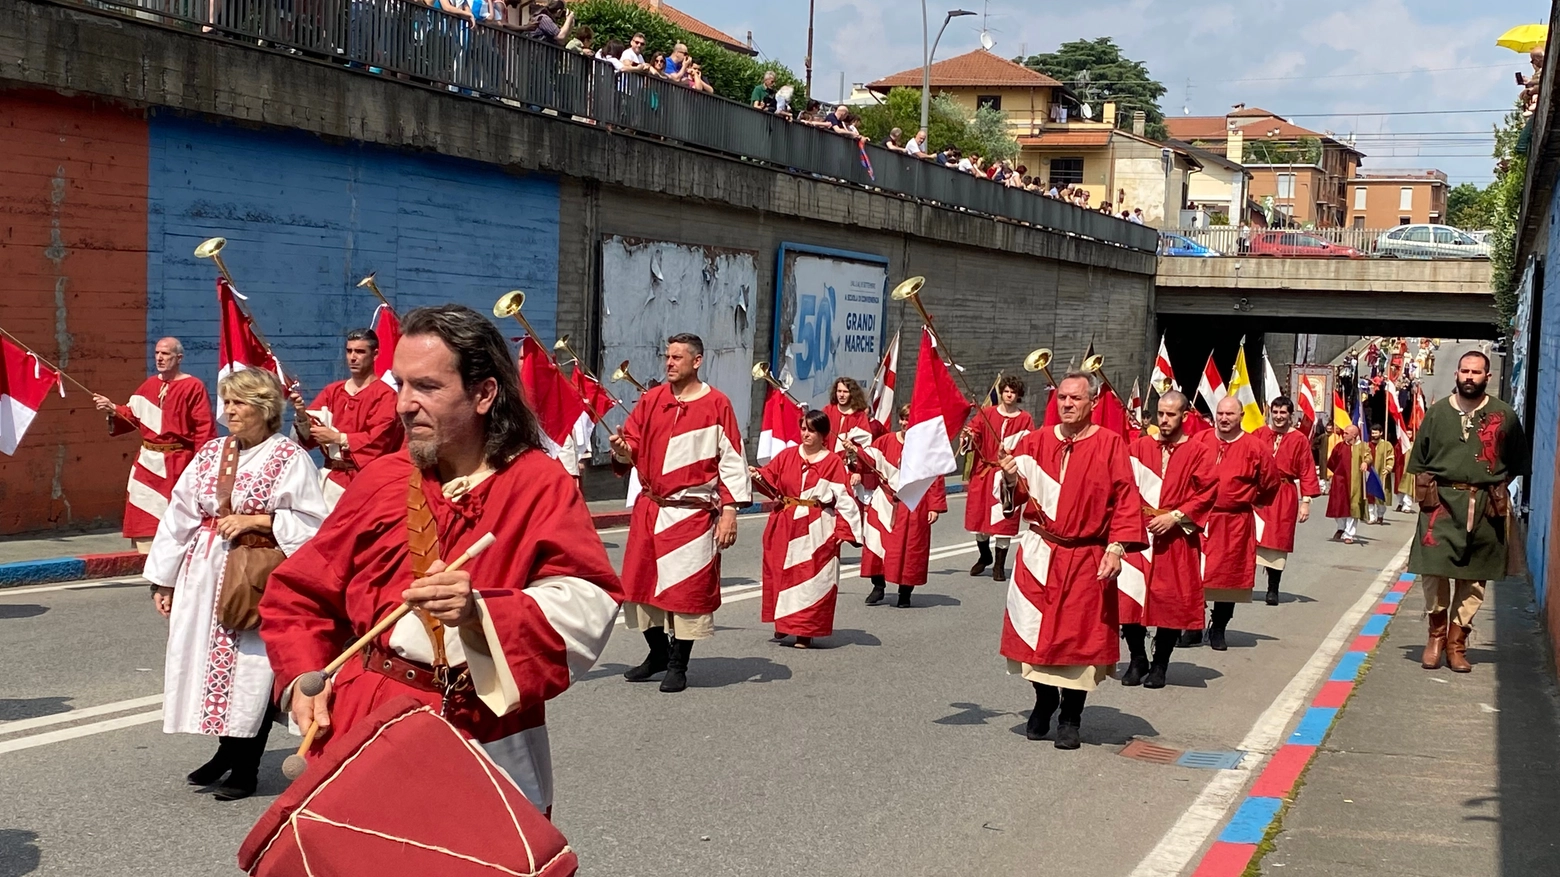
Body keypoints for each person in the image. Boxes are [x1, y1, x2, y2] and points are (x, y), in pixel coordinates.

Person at [262, 305, 623, 812]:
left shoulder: (537, 483)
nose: (404, 405)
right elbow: (302, 593)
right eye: (401, 385)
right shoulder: (383, 478)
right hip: (364, 718)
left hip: (479, 730)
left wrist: (483, 611)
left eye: (426, 387)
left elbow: (589, 600)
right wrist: (303, 678)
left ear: (483, 394)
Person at [146, 367, 328, 801]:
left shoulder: (289, 458)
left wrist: (260, 519)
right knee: (210, 669)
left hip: (256, 575)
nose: (228, 410)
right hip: (205, 576)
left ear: (264, 410)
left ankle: (246, 764)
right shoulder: (211, 453)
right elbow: (179, 516)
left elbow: (313, 523)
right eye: (226, 401)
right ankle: (225, 752)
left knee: (253, 669)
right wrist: (164, 581)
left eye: (238, 402)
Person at [998, 373, 1144, 749]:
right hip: (1040, 550)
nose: (1067, 404)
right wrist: (1010, 479)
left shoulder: (1110, 444)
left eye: (1075, 398)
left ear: (1091, 403)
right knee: (1033, 632)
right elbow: (1013, 498)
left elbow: (1126, 498)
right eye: (1062, 397)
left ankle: (1071, 717)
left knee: (1078, 639)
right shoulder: (1035, 441)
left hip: (1086, 554)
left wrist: (1116, 548)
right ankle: (1044, 699)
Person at [610, 333, 750, 692]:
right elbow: (634, 447)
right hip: (651, 508)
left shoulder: (717, 404)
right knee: (639, 588)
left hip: (691, 513)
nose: (669, 363)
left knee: (685, 591)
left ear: (697, 361)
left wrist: (730, 511)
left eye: (676, 357)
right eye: (667, 357)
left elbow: (732, 460)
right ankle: (657, 653)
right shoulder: (652, 399)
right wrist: (624, 450)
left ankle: (678, 664)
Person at [1406, 351, 1528, 673]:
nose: (1469, 376)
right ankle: (1436, 636)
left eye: (1476, 372)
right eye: (1464, 371)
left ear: (1487, 377)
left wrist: (1490, 486)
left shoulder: (1505, 416)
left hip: (1486, 505)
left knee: (1473, 580)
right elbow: (1419, 461)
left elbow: (1516, 464)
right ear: (1456, 375)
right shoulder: (1436, 414)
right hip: (1441, 505)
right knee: (1433, 571)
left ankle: (1457, 644)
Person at [1121, 391, 1217, 687]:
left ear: (1184, 416)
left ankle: (1161, 662)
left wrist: (1175, 517)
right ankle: (1137, 657)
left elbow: (1207, 492)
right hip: (1139, 532)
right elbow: (1123, 486)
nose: (1163, 420)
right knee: (1129, 597)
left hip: (1176, 535)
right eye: (1160, 413)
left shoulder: (1198, 452)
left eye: (1170, 414)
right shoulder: (1138, 447)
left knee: (1169, 600)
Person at [750, 410, 863, 648]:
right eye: (803, 429)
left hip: (817, 526)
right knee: (779, 573)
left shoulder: (832, 462)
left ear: (822, 434)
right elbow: (770, 480)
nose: (806, 434)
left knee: (811, 578)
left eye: (811, 430)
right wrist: (756, 475)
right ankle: (783, 623)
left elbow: (845, 498)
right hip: (785, 521)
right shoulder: (787, 455)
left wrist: (844, 531)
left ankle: (804, 631)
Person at [94, 337, 215, 553]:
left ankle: (172, 573)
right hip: (148, 463)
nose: (159, 357)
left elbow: (203, 428)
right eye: (157, 353)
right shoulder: (149, 385)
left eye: (165, 354)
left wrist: (202, 467)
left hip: (178, 463)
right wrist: (113, 408)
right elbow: (133, 415)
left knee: (176, 520)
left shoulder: (192, 386)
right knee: (145, 518)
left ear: (179, 358)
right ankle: (152, 571)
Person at [1191, 396, 1276, 651]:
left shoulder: (1255, 447)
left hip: (1234, 522)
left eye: (1230, 414)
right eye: (1220, 413)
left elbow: (1270, 483)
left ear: (1240, 417)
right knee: (1193, 574)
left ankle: (1219, 627)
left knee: (1228, 577)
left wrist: (1248, 499)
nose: (1224, 418)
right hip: (1200, 519)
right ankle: (1192, 626)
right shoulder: (1201, 441)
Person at [287, 328, 404, 509]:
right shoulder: (332, 391)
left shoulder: (385, 395)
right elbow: (310, 435)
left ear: (375, 354)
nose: (353, 357)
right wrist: (302, 416)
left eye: (360, 351)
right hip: (328, 480)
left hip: (365, 482)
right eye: (349, 351)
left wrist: (338, 438)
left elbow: (380, 439)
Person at [857, 404, 947, 608]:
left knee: (909, 549)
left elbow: (935, 478)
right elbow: (869, 459)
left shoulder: (926, 449)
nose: (906, 423)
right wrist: (855, 455)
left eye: (910, 420)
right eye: (904, 419)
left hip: (912, 503)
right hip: (884, 499)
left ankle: (905, 592)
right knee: (876, 544)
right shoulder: (886, 441)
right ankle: (878, 586)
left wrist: (934, 506)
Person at [961, 377, 1034, 582]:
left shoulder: (1025, 418)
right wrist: (968, 436)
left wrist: (1012, 460)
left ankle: (999, 566)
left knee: (1004, 520)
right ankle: (985, 556)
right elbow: (974, 433)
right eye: (1006, 391)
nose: (1009, 395)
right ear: (1001, 393)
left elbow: (1029, 445)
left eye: (1013, 392)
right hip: (984, 473)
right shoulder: (987, 413)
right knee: (980, 519)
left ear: (1018, 395)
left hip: (1007, 474)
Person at [1253, 396, 1323, 605]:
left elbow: (1307, 470)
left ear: (1291, 415)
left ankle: (1272, 588)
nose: (1279, 416)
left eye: (1283, 412)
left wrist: (1306, 501)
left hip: (1283, 493)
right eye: (1275, 412)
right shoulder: (1259, 434)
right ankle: (1245, 585)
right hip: (1257, 493)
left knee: (1277, 539)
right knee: (1249, 538)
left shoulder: (1299, 439)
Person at [1325, 425, 1364, 543]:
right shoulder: (1339, 447)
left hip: (1355, 482)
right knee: (1339, 505)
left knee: (1353, 507)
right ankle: (1341, 528)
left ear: (1354, 435)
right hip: (1340, 481)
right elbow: (1331, 462)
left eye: (1347, 433)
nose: (1344, 434)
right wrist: (1339, 473)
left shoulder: (1362, 447)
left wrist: (1365, 463)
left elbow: (1368, 458)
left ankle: (1349, 534)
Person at [823, 377, 874, 452]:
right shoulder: (827, 410)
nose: (841, 395)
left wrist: (852, 447)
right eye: (839, 391)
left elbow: (864, 443)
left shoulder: (859, 416)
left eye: (845, 392)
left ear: (852, 394)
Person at [1365, 423, 1395, 524]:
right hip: (1369, 474)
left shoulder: (1387, 445)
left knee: (1381, 496)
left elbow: (1391, 458)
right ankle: (1371, 516)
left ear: (1381, 433)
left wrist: (1388, 468)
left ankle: (1380, 515)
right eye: (1372, 433)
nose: (1374, 435)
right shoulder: (1366, 445)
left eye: (1376, 433)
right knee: (1370, 496)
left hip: (1382, 474)